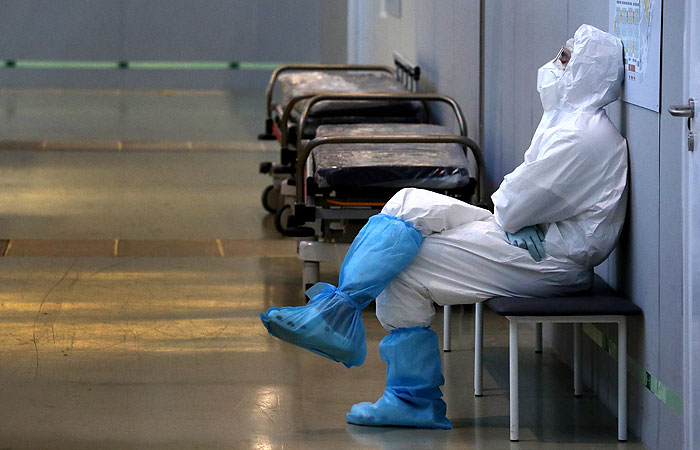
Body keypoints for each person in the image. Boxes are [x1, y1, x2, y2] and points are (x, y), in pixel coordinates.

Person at [261, 24, 628, 430]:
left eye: (566, 60)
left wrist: (518, 213)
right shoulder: (568, 122)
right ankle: (337, 313)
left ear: (588, 72)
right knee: (407, 201)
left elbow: (511, 204)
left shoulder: (580, 136)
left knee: (403, 267)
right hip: (535, 237)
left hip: (550, 258)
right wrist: (518, 212)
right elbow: (515, 201)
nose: (556, 65)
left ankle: (406, 396)